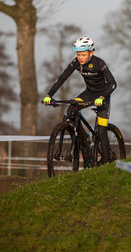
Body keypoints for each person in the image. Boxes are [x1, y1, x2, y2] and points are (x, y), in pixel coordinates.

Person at [43, 36, 117, 164]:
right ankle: (84, 140)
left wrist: (102, 97)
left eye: (83, 54)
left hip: (103, 96)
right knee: (71, 110)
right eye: (78, 54)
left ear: (91, 52)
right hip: (88, 94)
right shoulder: (76, 63)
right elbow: (62, 78)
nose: (80, 57)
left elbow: (113, 84)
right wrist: (49, 95)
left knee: (101, 129)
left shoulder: (99, 63)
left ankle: (105, 160)